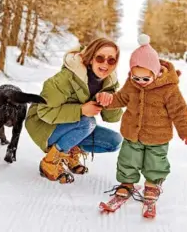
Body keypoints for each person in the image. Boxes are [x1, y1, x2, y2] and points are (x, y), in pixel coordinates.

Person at [96, 34, 187, 216]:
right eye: (136, 78)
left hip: (158, 137)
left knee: (155, 162)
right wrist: (107, 101)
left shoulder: (168, 89)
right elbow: (121, 98)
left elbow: (179, 110)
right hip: (132, 133)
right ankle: (127, 183)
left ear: (155, 72)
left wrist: (186, 131)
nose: (140, 82)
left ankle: (152, 184)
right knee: (128, 159)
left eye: (144, 79)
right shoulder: (131, 84)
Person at [25, 38, 123, 184]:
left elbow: (112, 118)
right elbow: (44, 112)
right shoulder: (65, 78)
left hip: (74, 125)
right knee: (87, 122)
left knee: (114, 141)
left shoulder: (109, 82)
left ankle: (70, 150)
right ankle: (49, 163)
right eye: (100, 58)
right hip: (43, 125)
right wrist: (81, 110)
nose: (105, 64)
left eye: (111, 60)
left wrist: (110, 101)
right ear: (90, 59)